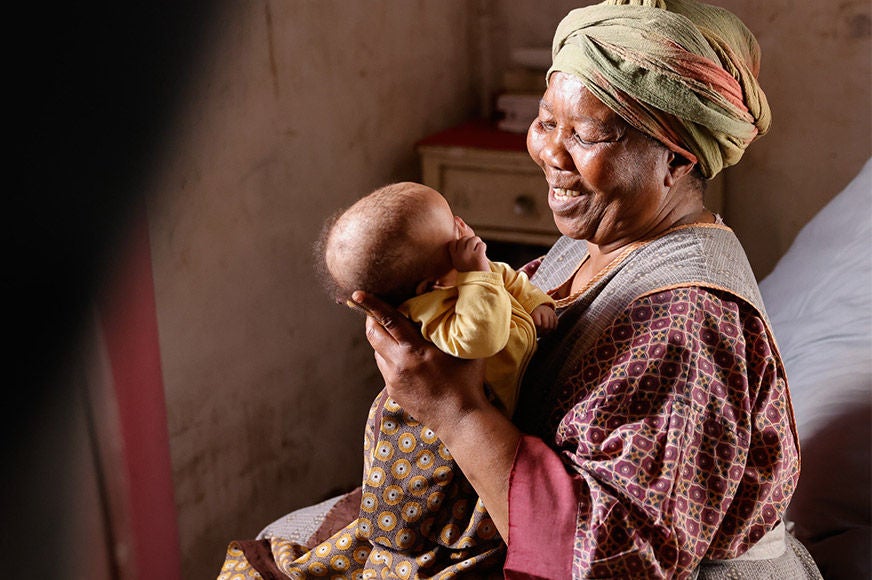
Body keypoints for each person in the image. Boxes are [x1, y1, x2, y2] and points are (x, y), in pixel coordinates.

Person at [221, 0, 824, 577]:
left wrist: (454, 412)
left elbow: (616, 559)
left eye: (586, 136)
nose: (548, 153)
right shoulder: (593, 243)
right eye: (544, 121)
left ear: (679, 160)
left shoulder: (688, 322)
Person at [322, 181, 557, 417]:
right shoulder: (432, 315)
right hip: (493, 418)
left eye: (455, 218)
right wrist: (477, 275)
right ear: (432, 285)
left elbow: (508, 278)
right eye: (454, 232)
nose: (462, 224)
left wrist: (533, 303)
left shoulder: (469, 276)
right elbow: (482, 338)